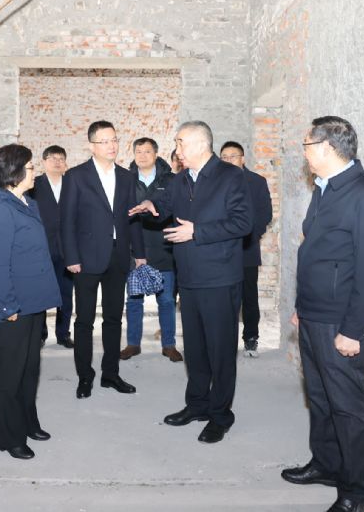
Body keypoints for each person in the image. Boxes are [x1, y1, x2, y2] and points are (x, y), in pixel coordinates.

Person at [281, 116, 364, 512]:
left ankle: (355, 493)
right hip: (313, 314)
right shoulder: (324, 188)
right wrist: (301, 307)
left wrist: (354, 330)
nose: (304, 153)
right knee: (320, 397)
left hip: (340, 322)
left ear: (327, 148)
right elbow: (315, 253)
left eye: (307, 145)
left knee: (348, 407)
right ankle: (326, 464)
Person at [129, 121, 252, 444]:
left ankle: (221, 415)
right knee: (195, 348)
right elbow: (166, 206)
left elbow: (243, 222)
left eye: (181, 143)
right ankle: (197, 405)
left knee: (220, 350)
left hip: (220, 277)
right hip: (189, 276)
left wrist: (197, 231)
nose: (177, 150)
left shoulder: (231, 176)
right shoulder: (180, 179)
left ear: (200, 144)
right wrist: (152, 207)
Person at [0, 144, 62, 460]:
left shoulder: (26, 202)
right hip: (12, 305)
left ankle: (28, 422)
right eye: (30, 167)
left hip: (32, 301)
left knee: (29, 369)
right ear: (14, 172)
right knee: (10, 373)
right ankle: (9, 436)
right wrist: (7, 306)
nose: (35, 172)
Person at [60, 120, 146, 399]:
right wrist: (71, 257)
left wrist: (140, 253)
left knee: (113, 319)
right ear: (92, 146)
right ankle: (85, 376)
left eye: (114, 140)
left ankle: (111, 373)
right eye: (104, 141)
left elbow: (133, 217)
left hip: (118, 256)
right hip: (85, 259)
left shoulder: (126, 176)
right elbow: (66, 221)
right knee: (84, 320)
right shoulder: (76, 176)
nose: (111, 146)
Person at [120, 137, 182, 363]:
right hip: (135, 249)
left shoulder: (171, 180)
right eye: (138, 151)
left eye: (147, 151)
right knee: (133, 300)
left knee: (166, 301)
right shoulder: (125, 180)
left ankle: (169, 345)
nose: (143, 155)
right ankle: (132, 344)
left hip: (163, 247)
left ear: (156, 154)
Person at [219, 141, 273, 357]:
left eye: (233, 156)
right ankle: (225, 340)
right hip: (220, 249)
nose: (228, 160)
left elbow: (265, 214)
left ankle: (251, 339)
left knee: (248, 296)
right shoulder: (215, 181)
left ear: (242, 158)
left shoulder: (257, 182)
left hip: (247, 248)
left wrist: (249, 236)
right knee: (224, 297)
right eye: (224, 157)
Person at [28, 145, 74, 348]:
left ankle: (63, 334)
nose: (57, 162)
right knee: (41, 293)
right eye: (52, 158)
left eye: (61, 158)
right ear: (44, 162)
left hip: (67, 249)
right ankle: (40, 334)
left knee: (66, 294)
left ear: (65, 163)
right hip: (41, 248)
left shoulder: (73, 184)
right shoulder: (33, 185)